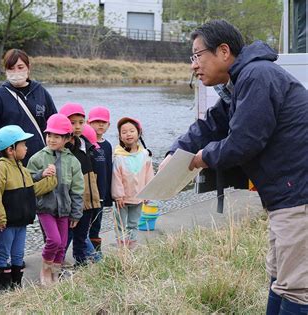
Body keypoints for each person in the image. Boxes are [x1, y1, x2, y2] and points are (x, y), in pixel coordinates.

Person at [160, 20, 308, 314]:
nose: (194, 65)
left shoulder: (257, 76)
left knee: (296, 287)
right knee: (280, 275)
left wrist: (201, 157)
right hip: (286, 195)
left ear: (224, 51)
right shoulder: (241, 81)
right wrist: (175, 152)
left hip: (299, 194)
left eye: (197, 55)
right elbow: (213, 124)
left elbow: (244, 142)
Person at [0, 125, 57, 290]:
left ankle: (16, 286)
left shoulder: (21, 167)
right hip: (7, 223)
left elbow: (31, 192)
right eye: (23, 144)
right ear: (10, 149)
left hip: (21, 221)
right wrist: (0, 218)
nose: (26, 147)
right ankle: (4, 287)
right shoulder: (2, 166)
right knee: (3, 253)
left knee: (18, 254)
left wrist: (51, 179)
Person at [27, 114, 84, 285]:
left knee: (63, 243)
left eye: (57, 136)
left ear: (67, 138)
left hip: (65, 209)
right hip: (45, 207)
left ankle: (55, 273)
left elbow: (77, 190)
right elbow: (27, 180)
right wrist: (41, 174)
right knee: (54, 240)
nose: (51, 139)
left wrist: (76, 213)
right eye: (49, 135)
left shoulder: (72, 161)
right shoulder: (38, 158)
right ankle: (45, 270)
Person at [0, 48, 58, 165]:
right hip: (12, 163)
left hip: (42, 160)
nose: (16, 72)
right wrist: (0, 162)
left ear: (28, 67)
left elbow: (54, 123)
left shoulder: (40, 92)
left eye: (20, 67)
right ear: (5, 70)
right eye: (11, 68)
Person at [59, 103, 101, 266]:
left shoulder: (85, 142)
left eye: (81, 122)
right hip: (73, 200)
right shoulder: (63, 146)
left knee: (82, 235)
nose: (77, 126)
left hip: (89, 197)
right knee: (67, 234)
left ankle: (81, 263)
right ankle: (57, 263)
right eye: (72, 122)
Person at [111, 117, 154, 248]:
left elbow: (149, 175)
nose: (128, 134)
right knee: (120, 225)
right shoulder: (118, 156)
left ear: (139, 133)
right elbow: (116, 177)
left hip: (138, 197)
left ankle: (131, 248)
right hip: (122, 199)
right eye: (124, 132)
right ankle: (122, 249)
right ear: (120, 136)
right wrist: (118, 196)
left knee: (134, 224)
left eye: (131, 131)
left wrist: (148, 193)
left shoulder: (145, 154)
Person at [86, 106, 113, 255]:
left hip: (101, 192)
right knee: (85, 223)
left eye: (104, 122)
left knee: (97, 223)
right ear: (89, 123)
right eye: (96, 122)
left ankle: (95, 253)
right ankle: (84, 253)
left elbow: (109, 170)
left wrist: (109, 195)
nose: (100, 125)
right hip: (87, 193)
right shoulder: (84, 143)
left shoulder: (107, 145)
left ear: (108, 125)